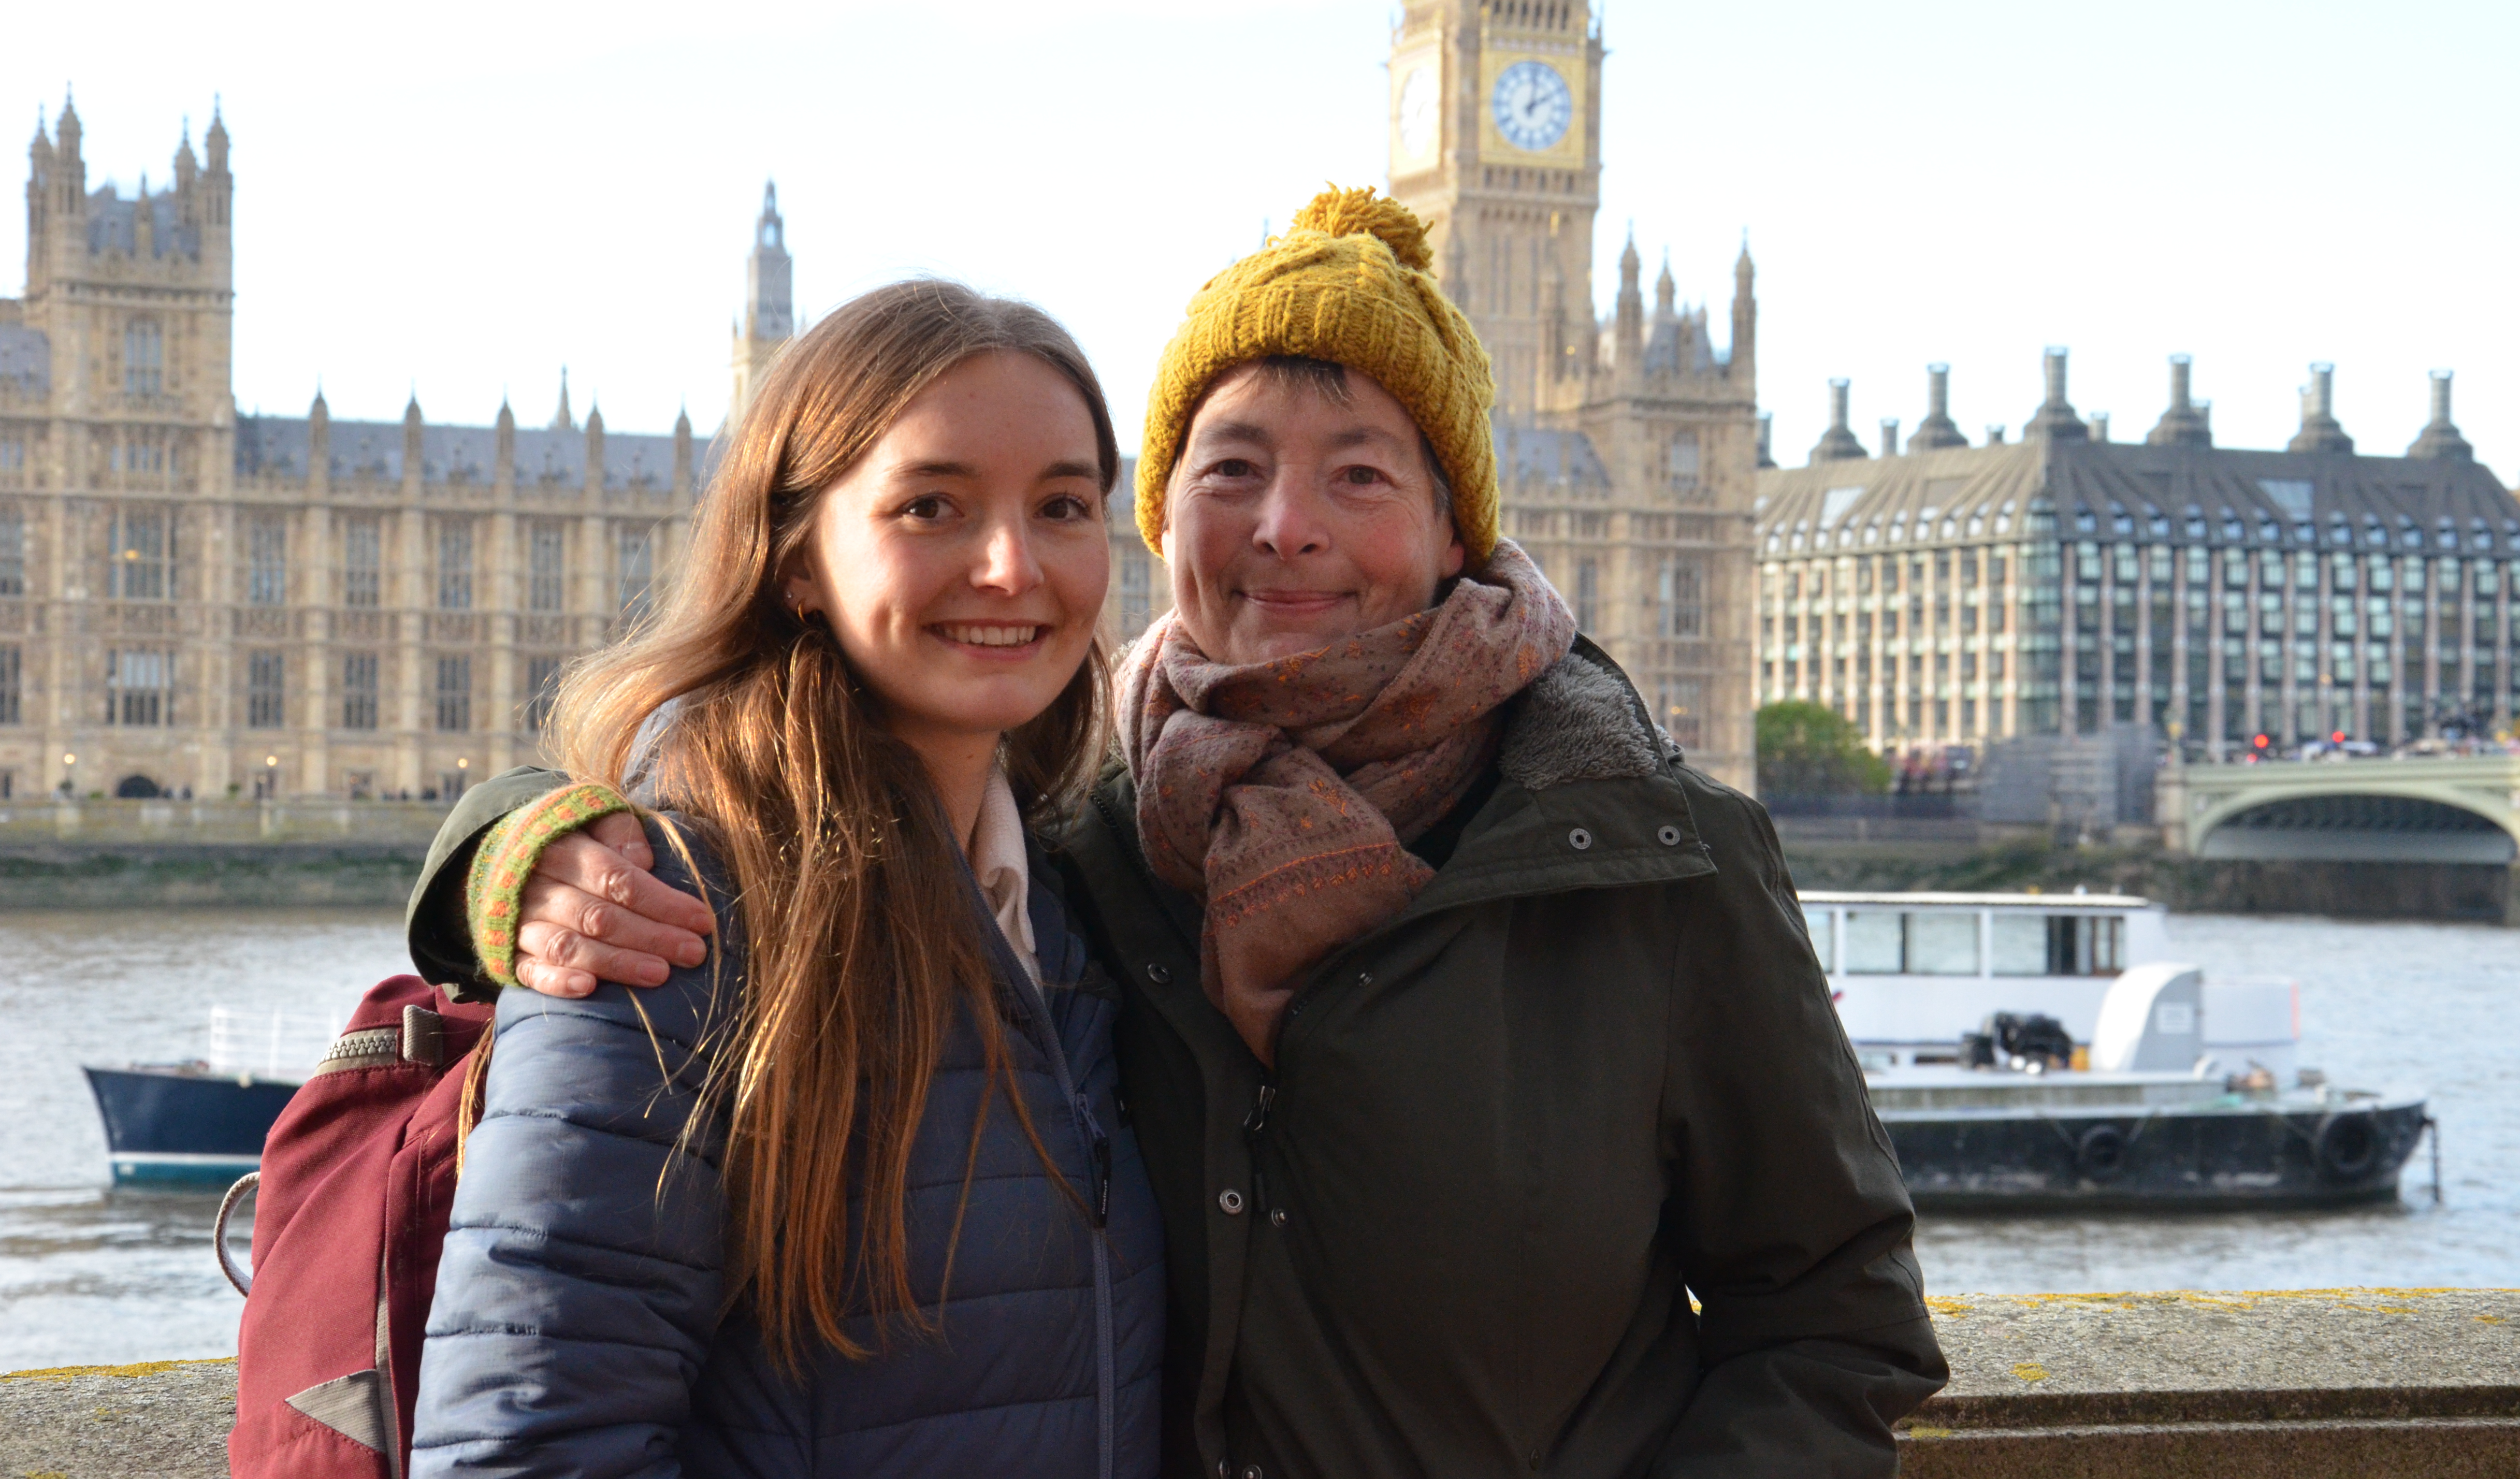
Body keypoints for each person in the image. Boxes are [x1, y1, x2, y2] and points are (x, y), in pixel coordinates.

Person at [409, 190, 1946, 1478]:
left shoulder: (1656, 859)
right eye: (1230, 472)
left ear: (1461, 524)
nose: (1287, 528)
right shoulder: (1095, 844)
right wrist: (510, 848)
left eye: (1360, 474)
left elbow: (1834, 1322)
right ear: (1165, 520)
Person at [410, 281, 1165, 1479]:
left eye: (1063, 506)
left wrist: (487, 840)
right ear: (795, 558)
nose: (1013, 565)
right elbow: (527, 1448)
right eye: (932, 506)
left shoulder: (1085, 907)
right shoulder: (659, 925)